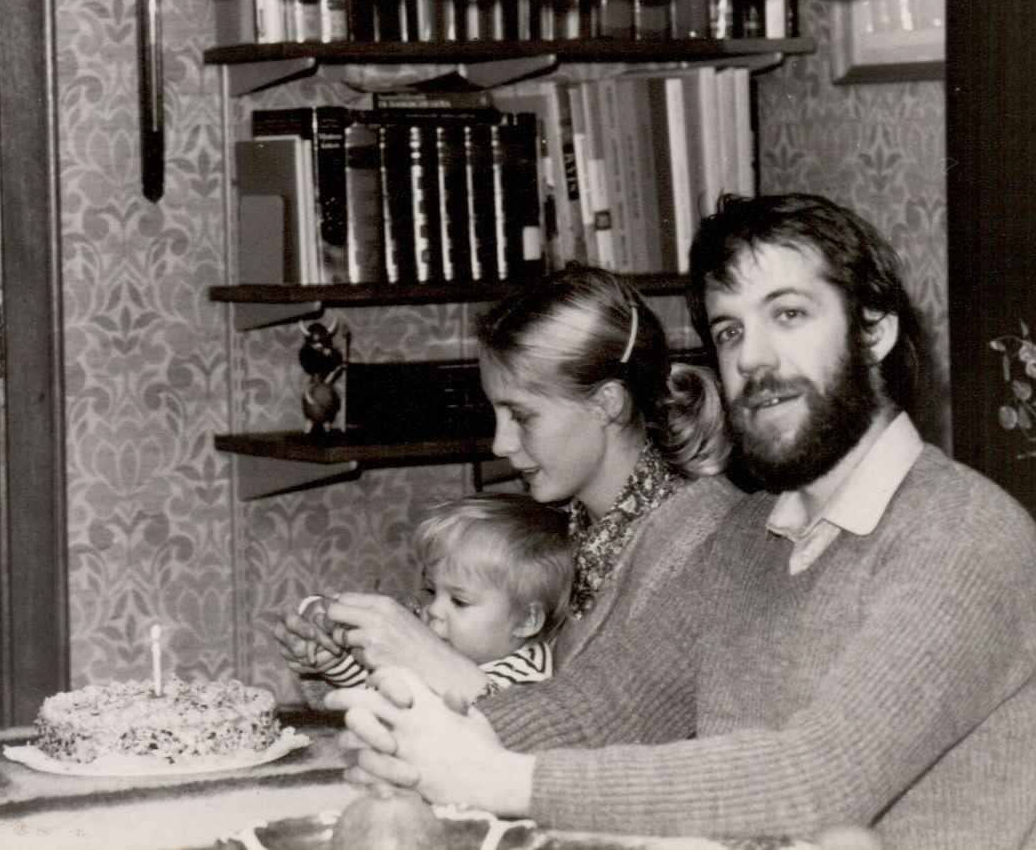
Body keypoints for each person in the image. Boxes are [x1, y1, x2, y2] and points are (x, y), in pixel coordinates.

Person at [327, 194, 1036, 850]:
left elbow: (818, 777)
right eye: (729, 331)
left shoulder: (966, 535)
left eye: (788, 314)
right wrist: (435, 733)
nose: (755, 359)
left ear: (873, 332)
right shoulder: (751, 536)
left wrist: (500, 777)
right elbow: (605, 705)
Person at [275, 265, 737, 704]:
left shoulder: (698, 546)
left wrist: (434, 660)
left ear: (606, 404)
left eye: (521, 415)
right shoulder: (570, 530)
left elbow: (607, 738)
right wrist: (345, 659)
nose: (500, 443)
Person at [285, 493, 572, 695]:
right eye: (431, 591)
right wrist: (334, 660)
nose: (434, 609)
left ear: (526, 619)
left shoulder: (523, 681)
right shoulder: (456, 654)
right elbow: (380, 690)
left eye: (459, 601)